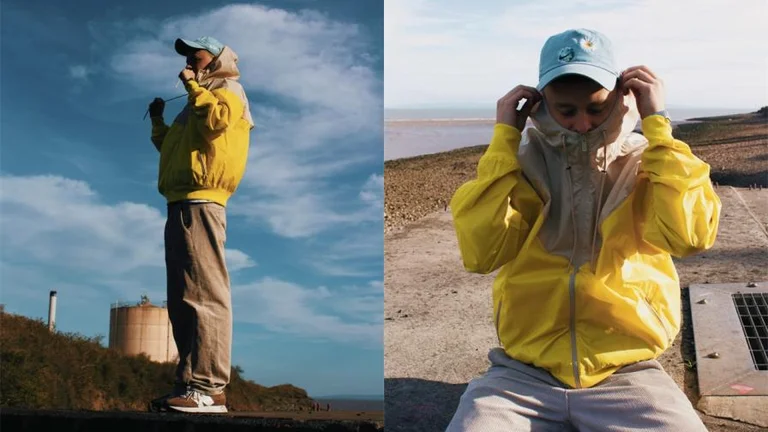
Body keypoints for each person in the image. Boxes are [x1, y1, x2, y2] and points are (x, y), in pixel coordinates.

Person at [446, 28, 721, 431]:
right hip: (524, 371)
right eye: (566, 109)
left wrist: (658, 126)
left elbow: (689, 236)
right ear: (540, 104)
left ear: (621, 98)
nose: (581, 123)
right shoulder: (518, 165)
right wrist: (504, 139)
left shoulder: (652, 162)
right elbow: (482, 252)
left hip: (628, 370)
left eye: (595, 109)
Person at [147, 36, 254, 414]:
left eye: (198, 54)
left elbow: (215, 124)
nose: (191, 59)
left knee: (204, 293)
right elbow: (178, 148)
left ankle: (210, 388)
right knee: (182, 298)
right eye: (188, 56)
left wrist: (193, 85)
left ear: (218, 58)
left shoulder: (228, 89)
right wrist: (159, 120)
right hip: (180, 200)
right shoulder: (198, 97)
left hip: (204, 199)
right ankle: (189, 383)